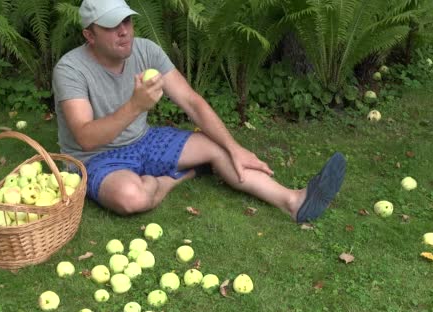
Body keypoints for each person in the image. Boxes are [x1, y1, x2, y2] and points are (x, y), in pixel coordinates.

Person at [52, 0, 346, 223]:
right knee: (131, 198)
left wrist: (236, 148)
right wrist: (135, 106)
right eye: (112, 26)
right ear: (89, 35)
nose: (124, 31)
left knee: (218, 148)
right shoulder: (70, 69)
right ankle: (173, 178)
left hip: (144, 141)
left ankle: (293, 201)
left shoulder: (146, 50)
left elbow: (192, 102)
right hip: (96, 159)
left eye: (127, 22)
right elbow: (86, 138)